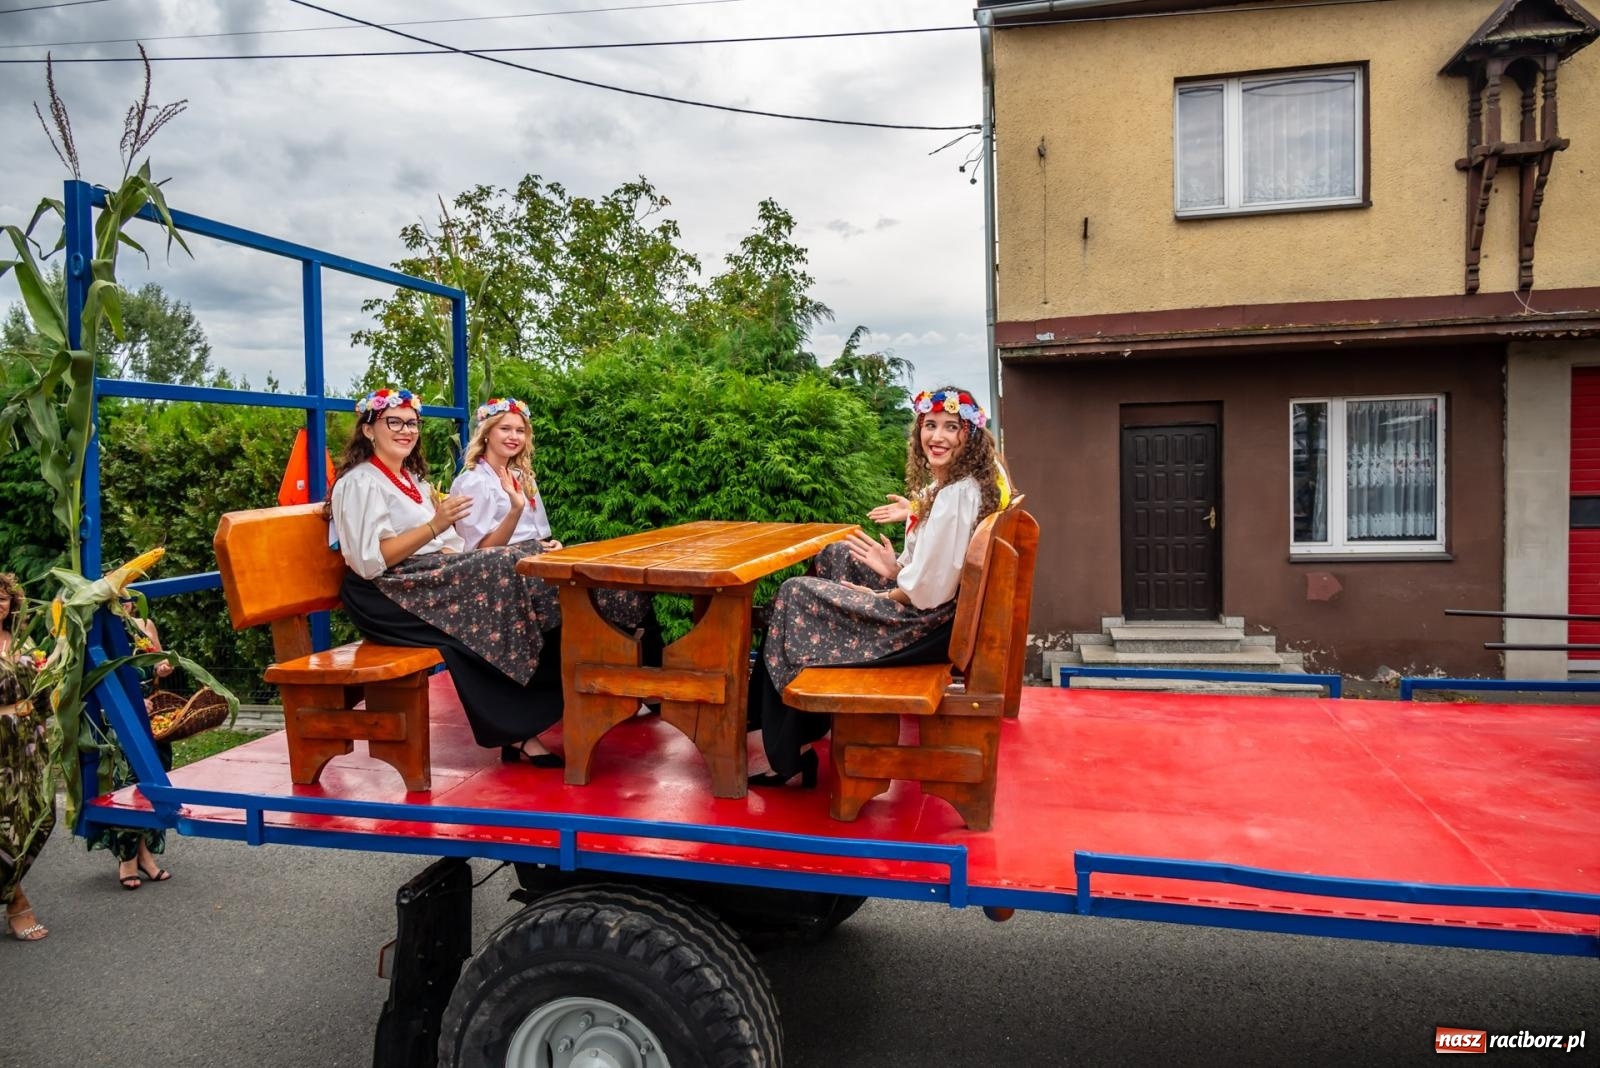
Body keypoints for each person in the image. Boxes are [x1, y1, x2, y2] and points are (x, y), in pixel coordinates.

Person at [747, 386, 1006, 787]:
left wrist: (886, 591)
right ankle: (794, 710)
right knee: (837, 556)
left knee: (794, 596)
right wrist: (896, 563)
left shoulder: (956, 496)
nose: (937, 437)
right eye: (930, 425)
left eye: (951, 427)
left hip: (924, 626)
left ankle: (788, 748)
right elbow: (933, 563)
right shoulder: (960, 485)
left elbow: (928, 591)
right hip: (934, 610)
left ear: (969, 435)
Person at [326, 387, 565, 766]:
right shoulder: (359, 482)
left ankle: (549, 690)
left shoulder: (413, 481)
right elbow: (369, 563)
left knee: (527, 561)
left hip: (426, 578)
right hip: (386, 593)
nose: (406, 431)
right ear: (369, 430)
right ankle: (521, 722)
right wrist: (435, 527)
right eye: (394, 422)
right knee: (504, 566)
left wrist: (464, 566)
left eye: (412, 424)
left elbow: (450, 545)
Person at [449, 397, 661, 667]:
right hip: (505, 571)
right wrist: (515, 509)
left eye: (520, 430)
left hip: (535, 557)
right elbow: (481, 552)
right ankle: (635, 666)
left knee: (613, 570)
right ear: (487, 433)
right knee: (596, 587)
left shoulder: (523, 477)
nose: (514, 436)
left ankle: (641, 662)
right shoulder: (472, 482)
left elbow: (536, 535)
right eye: (505, 429)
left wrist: (551, 545)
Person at [86, 600, 177, 891]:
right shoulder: (99, 631)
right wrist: (132, 702)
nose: (125, 604)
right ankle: (129, 858)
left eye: (128, 598)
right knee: (127, 785)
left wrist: (163, 667)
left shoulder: (145, 625)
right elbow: (98, 678)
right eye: (118, 598)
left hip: (151, 716)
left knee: (153, 784)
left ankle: (144, 853)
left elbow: (159, 664)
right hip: (120, 716)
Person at [1, 572, 52, 938]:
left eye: (3, 598)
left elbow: (39, 685)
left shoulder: (22, 638)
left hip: (30, 738)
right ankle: (16, 901)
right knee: (5, 825)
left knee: (41, 815)